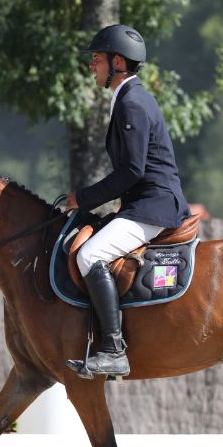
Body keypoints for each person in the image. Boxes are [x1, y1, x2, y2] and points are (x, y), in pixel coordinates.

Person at [64, 24, 190, 378]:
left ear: (117, 62)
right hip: (143, 202)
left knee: (90, 254)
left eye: (96, 58)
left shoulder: (132, 103)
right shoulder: (128, 99)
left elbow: (131, 171)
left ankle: (114, 349)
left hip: (154, 205)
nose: (92, 65)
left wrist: (83, 198)